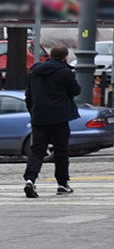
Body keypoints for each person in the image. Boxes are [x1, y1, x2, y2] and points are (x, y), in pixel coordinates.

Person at [23, 43, 81, 198]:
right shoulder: (64, 72)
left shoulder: (35, 70)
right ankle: (62, 184)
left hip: (38, 117)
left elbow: (28, 94)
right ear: (65, 57)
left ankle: (30, 180)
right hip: (59, 118)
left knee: (37, 150)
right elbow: (76, 90)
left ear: (49, 55)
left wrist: (33, 111)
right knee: (61, 151)